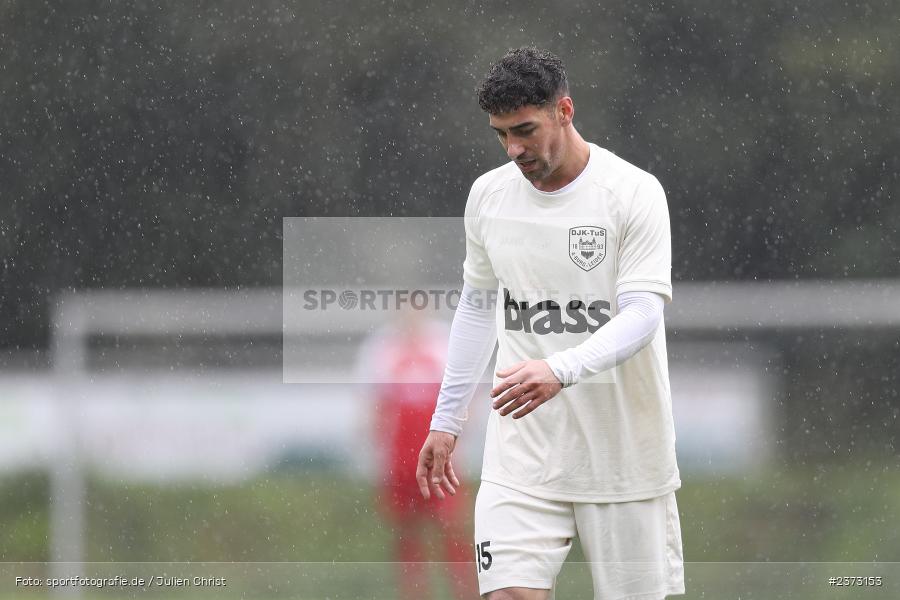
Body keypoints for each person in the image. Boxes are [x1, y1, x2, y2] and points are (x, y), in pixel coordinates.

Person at [415, 47, 685, 600]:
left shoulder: (633, 193)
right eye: (500, 135)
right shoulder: (488, 196)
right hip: (523, 456)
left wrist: (559, 369)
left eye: (525, 130)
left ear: (565, 110)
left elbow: (642, 314)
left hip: (624, 456)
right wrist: (447, 419)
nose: (514, 149)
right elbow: (476, 306)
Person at [357, 308, 476, 600]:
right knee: (407, 531)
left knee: (452, 528)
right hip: (400, 458)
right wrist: (376, 452)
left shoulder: (443, 344)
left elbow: (464, 397)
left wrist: (462, 439)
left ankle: (465, 591)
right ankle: (414, 592)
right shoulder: (381, 350)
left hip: (439, 456)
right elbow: (373, 406)